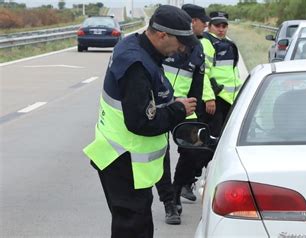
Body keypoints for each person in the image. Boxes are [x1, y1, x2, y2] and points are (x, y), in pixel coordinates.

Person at [82, 5, 198, 237]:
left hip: (126, 160)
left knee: (140, 225)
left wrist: (169, 101)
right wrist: (177, 110)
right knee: (132, 229)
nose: (182, 49)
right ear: (162, 35)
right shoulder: (136, 64)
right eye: (180, 42)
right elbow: (141, 122)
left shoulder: (135, 45)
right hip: (123, 160)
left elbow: (147, 98)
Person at [154, 3, 211, 225]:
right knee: (161, 156)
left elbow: (197, 81)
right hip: (160, 107)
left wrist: (196, 115)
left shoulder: (198, 47)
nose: (204, 25)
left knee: (192, 152)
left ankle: (178, 189)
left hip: (185, 109)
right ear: (189, 22)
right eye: (201, 21)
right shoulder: (163, 43)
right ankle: (170, 204)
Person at [195, 11, 243, 181]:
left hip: (229, 101)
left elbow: (233, 74)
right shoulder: (206, 43)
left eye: (224, 26)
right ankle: (190, 179)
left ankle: (213, 176)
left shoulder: (229, 44)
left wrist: (240, 97)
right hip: (215, 100)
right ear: (209, 26)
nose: (221, 29)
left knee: (224, 143)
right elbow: (203, 73)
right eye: (217, 26)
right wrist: (209, 98)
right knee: (211, 142)